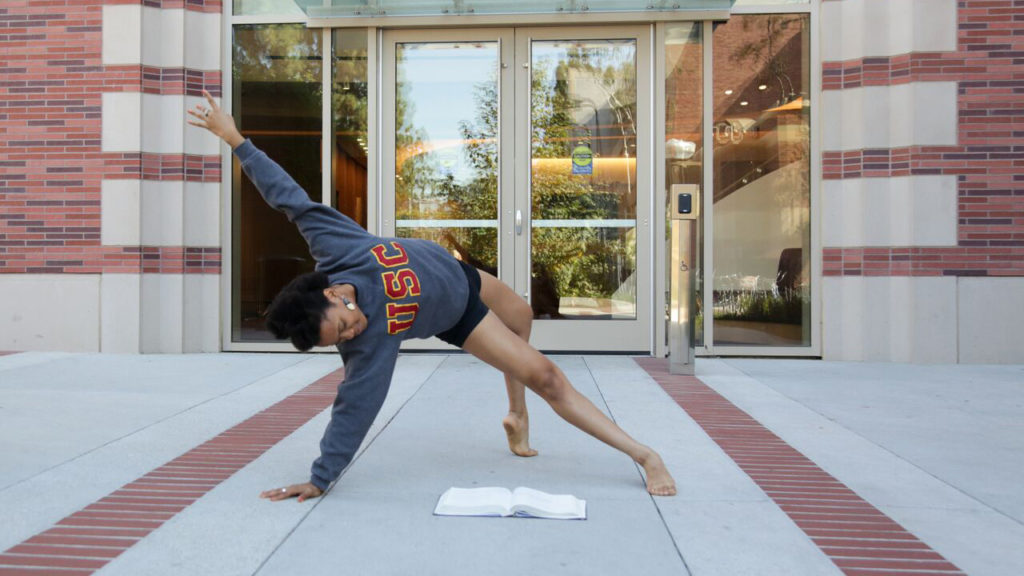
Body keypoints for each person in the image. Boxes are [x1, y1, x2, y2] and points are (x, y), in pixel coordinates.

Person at [188, 91, 676, 500]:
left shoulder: (335, 247)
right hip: (458, 314)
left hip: (462, 274)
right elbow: (352, 410)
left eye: (342, 323)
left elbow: (288, 196)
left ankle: (515, 413)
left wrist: (234, 138)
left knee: (523, 316)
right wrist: (320, 478)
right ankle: (644, 454)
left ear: (334, 292)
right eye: (336, 341)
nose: (350, 334)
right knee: (547, 375)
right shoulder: (367, 346)